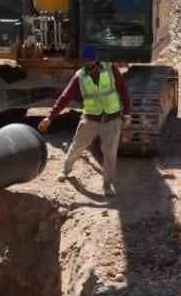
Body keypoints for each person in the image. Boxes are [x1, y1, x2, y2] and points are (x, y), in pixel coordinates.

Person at [38, 45, 131, 195]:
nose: (89, 65)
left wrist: (126, 113)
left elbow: (123, 90)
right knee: (77, 147)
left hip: (112, 119)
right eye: (86, 62)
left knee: (110, 154)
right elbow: (65, 97)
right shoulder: (80, 76)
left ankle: (107, 186)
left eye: (91, 62)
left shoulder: (110, 69)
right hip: (90, 119)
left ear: (96, 59)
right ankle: (65, 170)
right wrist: (50, 116)